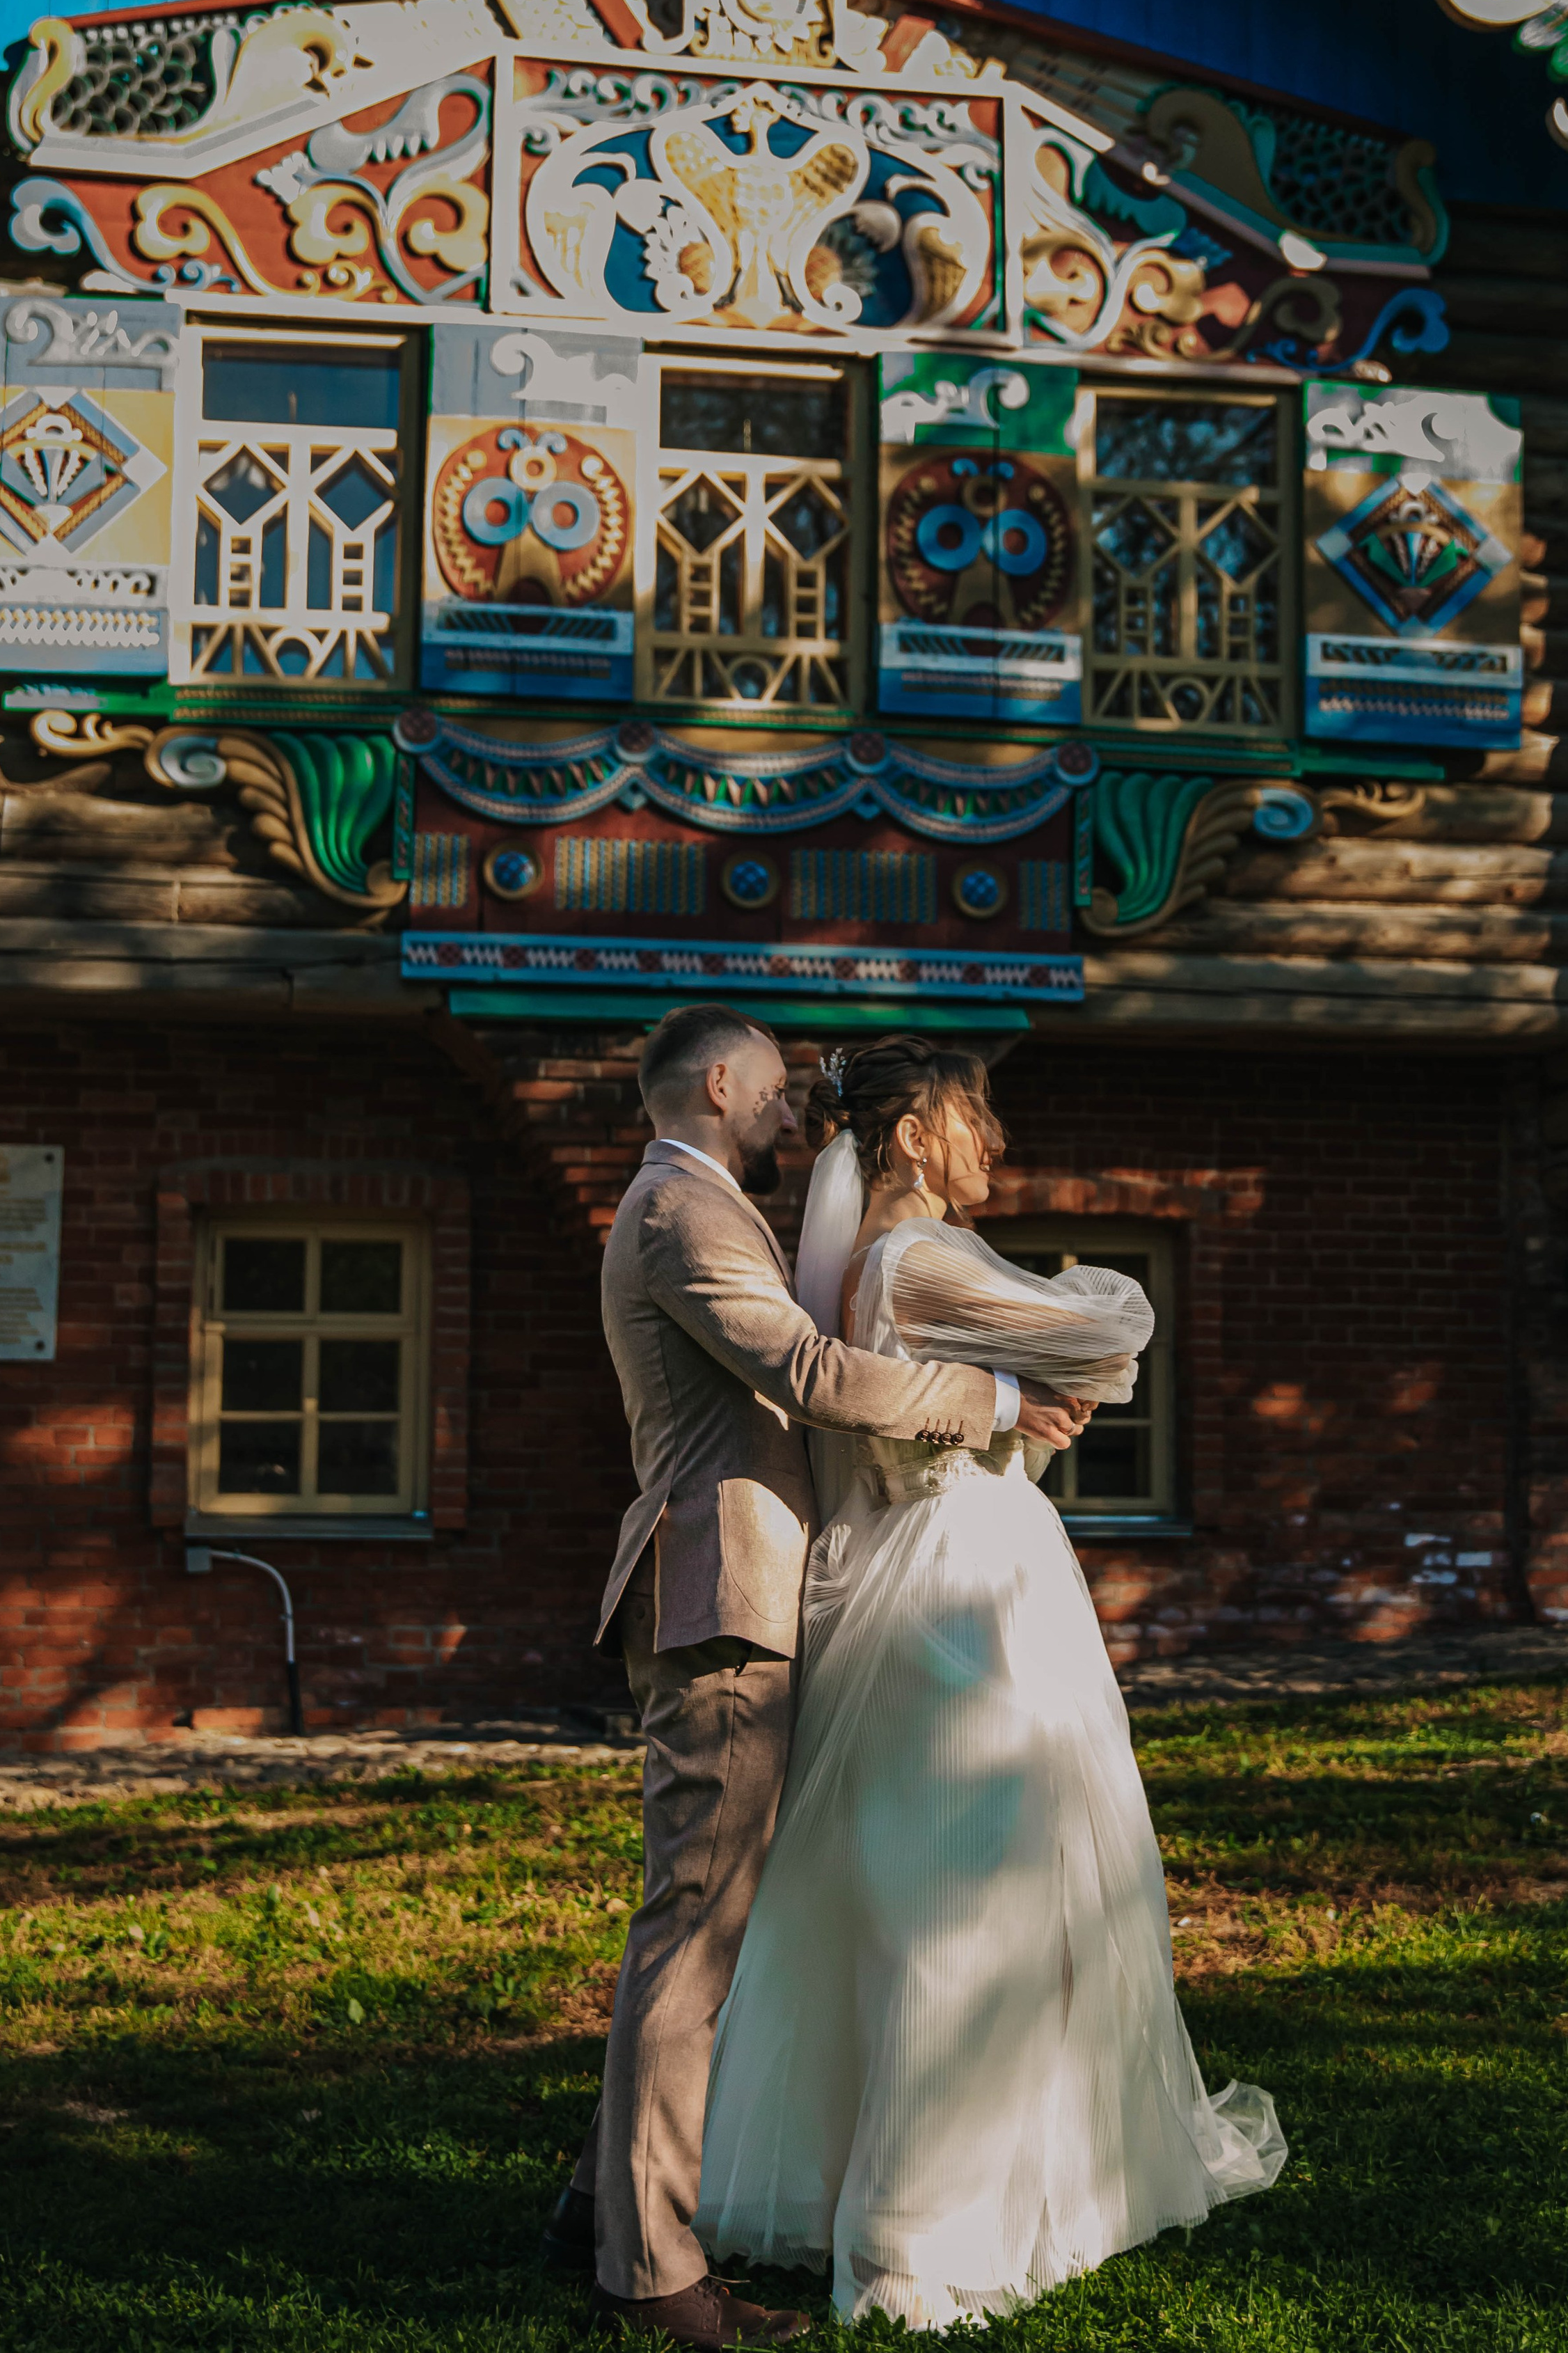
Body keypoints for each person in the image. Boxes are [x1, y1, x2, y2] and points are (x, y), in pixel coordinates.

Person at [696, 1035, 1286, 2331]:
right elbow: (1117, 1332)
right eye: (976, 1118)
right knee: (967, 1901)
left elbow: (1047, 1382)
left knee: (911, 1895)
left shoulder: (868, 1267)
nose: (996, 1142)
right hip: (962, 1596)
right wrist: (1057, 1351)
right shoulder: (921, 1260)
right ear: (912, 1138)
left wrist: (1021, 1388)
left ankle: (921, 2192)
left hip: (923, 1571)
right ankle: (916, 2241)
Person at [540, 1004, 1086, 2350]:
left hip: (740, 1588)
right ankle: (650, 2277)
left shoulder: (709, 1206)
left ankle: (596, 2208)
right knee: (694, 1931)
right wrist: (996, 1404)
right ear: (722, 1083)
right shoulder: (683, 1213)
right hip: (719, 1595)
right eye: (780, 1089)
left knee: (702, 1919)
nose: (797, 1112)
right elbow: (809, 1371)